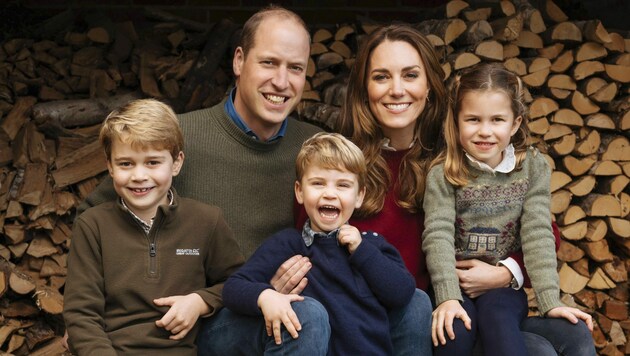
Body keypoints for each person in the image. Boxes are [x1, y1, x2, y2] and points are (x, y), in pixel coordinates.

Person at [77, 6, 431, 355]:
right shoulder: (180, 140)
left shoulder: (313, 148)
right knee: (305, 314)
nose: (281, 81)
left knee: (412, 302)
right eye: (269, 63)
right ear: (238, 61)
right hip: (215, 316)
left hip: (297, 305)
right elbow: (100, 217)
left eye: (294, 68)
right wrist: (95, 324)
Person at [334, 24, 595, 355]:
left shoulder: (460, 150)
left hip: (479, 300)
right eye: (382, 77)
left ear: (429, 85)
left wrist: (503, 274)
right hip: (407, 313)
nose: (397, 89)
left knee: (573, 337)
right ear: (364, 87)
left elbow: (544, 232)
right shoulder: (344, 163)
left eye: (410, 75)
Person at [422, 63, 595, 356]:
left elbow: (538, 233)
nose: (485, 131)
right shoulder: (444, 173)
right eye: (473, 119)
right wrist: (448, 297)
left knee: (498, 318)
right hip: (456, 285)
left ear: (515, 124)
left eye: (497, 120)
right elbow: (436, 235)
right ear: (456, 120)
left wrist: (550, 301)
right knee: (455, 332)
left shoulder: (532, 168)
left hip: (504, 291)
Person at [63, 99, 245, 355]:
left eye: (152, 162)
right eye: (126, 163)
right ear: (110, 166)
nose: (139, 176)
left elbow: (237, 282)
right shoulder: (92, 226)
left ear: (177, 162)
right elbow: (81, 314)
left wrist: (200, 301)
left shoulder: (207, 221)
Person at [223, 132, 416, 355]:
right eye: (318, 183)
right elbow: (234, 287)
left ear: (359, 196)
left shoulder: (371, 246)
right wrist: (266, 296)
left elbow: (402, 293)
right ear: (300, 192)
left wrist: (362, 251)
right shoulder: (288, 244)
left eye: (343, 185)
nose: (330, 194)